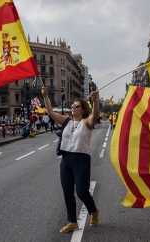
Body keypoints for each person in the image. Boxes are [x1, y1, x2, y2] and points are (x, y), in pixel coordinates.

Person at [41, 86, 99, 233]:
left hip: (81, 160)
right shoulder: (66, 121)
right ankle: (73, 222)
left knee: (81, 192)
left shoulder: (87, 123)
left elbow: (95, 115)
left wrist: (95, 101)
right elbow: (50, 112)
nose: (73, 107)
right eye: (72, 105)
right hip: (66, 160)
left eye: (77, 106)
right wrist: (45, 96)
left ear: (83, 109)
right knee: (67, 192)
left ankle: (94, 211)